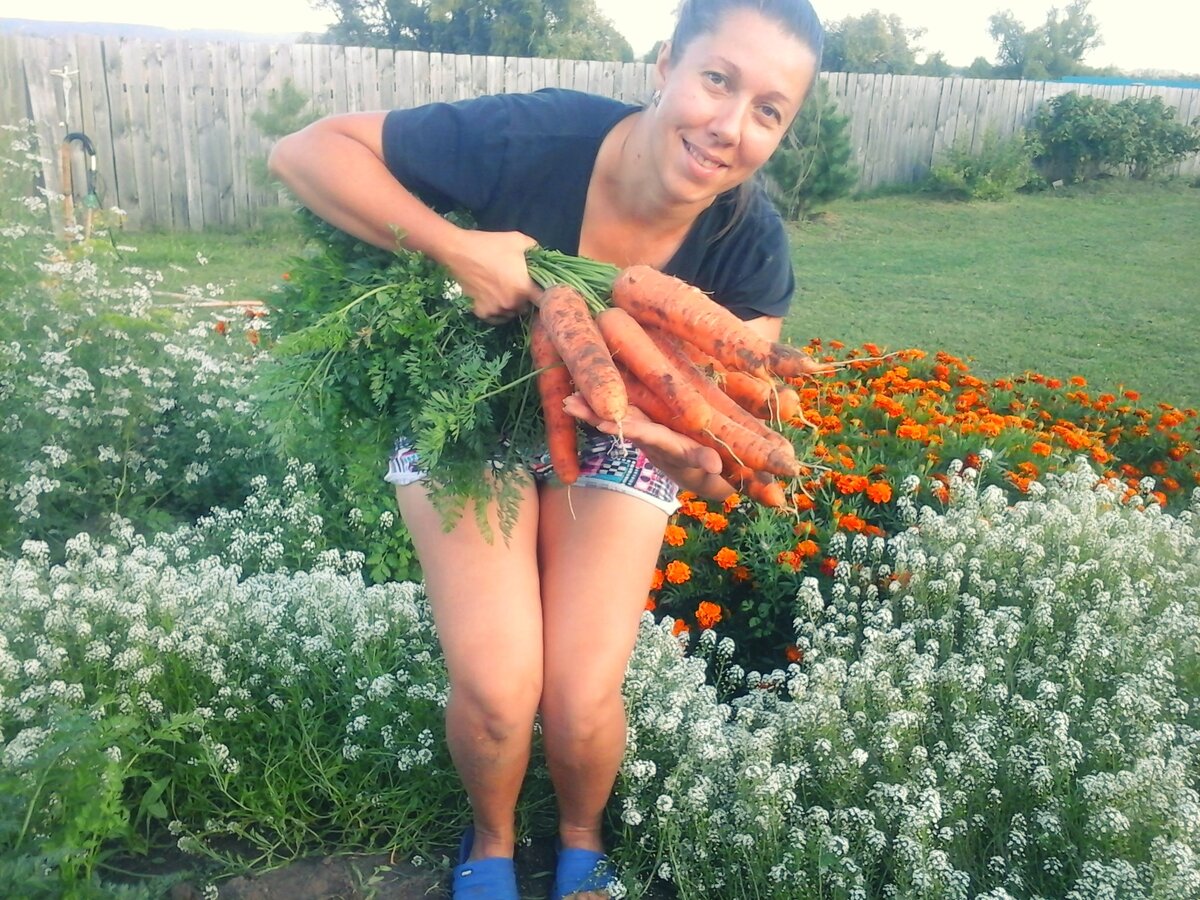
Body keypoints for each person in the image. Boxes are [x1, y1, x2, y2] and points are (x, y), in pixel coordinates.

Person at [268, 0, 824, 896]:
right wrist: (459, 251)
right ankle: (489, 840)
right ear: (665, 66)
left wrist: (688, 453)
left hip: (616, 427)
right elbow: (305, 151)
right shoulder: (535, 138)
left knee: (579, 697)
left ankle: (578, 837)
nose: (730, 125)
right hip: (467, 403)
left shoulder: (747, 241)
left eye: (768, 110)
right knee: (498, 691)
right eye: (717, 80)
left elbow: (721, 435)